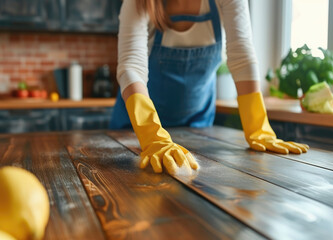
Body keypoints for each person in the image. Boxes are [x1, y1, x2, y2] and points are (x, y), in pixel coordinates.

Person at [110, 0, 309, 175]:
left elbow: (241, 55)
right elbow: (132, 66)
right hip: (137, 130)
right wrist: (151, 136)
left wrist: (258, 127)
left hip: (198, 126)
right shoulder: (139, 2)